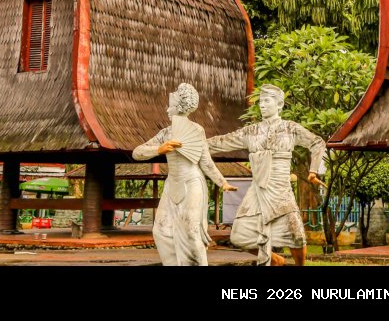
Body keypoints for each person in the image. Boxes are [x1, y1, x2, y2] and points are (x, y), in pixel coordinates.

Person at [207, 84, 326, 266]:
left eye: (267, 101)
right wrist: (194, 140)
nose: (262, 105)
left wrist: (313, 170)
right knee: (239, 235)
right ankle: (275, 259)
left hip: (280, 189)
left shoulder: (290, 129)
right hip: (258, 190)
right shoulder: (251, 131)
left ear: (279, 105)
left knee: (296, 236)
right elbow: (221, 142)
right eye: (261, 101)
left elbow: (317, 142)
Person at [132, 82, 236, 266]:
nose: (166, 107)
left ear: (180, 105)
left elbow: (205, 162)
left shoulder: (197, 130)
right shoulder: (165, 134)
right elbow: (137, 152)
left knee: (191, 231)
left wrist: (222, 182)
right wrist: (159, 149)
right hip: (172, 183)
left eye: (170, 103)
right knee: (161, 231)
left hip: (193, 183)